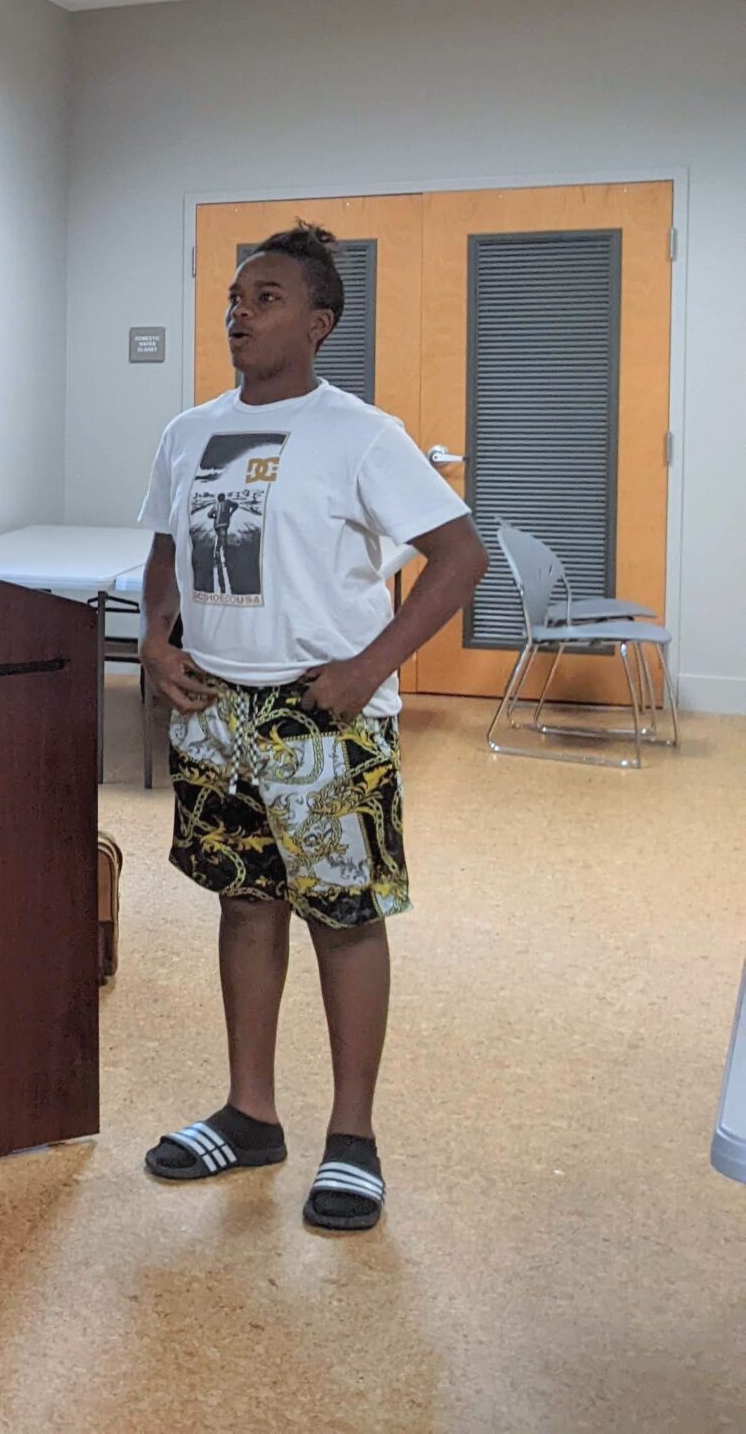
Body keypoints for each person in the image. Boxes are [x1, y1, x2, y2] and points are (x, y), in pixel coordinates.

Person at [137, 223, 488, 1233]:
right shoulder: (187, 432)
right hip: (214, 708)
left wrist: (370, 667)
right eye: (237, 297)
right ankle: (251, 1114)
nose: (239, 314)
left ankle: (351, 1140)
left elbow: (457, 557)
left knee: (342, 916)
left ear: (318, 323)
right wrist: (159, 645)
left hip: (318, 714)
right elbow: (163, 546)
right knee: (245, 905)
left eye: (267, 298)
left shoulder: (360, 435)